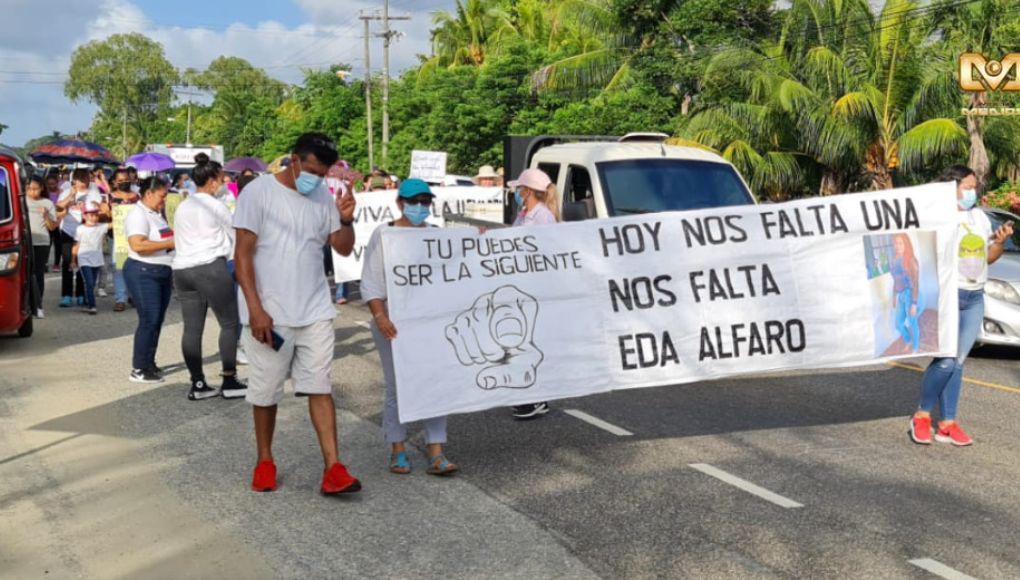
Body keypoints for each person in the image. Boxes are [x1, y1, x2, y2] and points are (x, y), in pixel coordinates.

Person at [234, 133, 361, 495]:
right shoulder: (258, 193)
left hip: (316, 310)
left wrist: (347, 220)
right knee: (267, 393)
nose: (316, 179)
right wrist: (256, 309)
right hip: (270, 315)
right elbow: (242, 256)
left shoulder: (323, 195)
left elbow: (343, 249)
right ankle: (265, 460)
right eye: (311, 171)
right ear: (293, 160)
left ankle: (334, 468)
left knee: (320, 387)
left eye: (322, 174)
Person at [909, 165, 1014, 447]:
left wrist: (1000, 242)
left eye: (974, 186)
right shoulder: (937, 217)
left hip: (974, 297)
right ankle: (921, 416)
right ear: (951, 187)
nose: (973, 191)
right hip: (948, 295)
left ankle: (947, 424)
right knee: (945, 360)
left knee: (957, 362)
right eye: (967, 186)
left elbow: (988, 257)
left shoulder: (979, 218)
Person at [361, 178, 458, 476]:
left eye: (425, 202)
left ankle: (436, 451)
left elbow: (457, 272)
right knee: (397, 386)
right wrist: (380, 316)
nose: (419, 207)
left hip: (428, 325)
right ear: (400, 203)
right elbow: (372, 281)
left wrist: (476, 241)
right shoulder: (384, 235)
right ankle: (398, 449)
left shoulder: (437, 236)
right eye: (413, 201)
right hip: (393, 324)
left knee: (434, 383)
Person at [172, 153, 246, 401]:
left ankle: (198, 383)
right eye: (222, 179)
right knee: (229, 323)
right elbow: (236, 236)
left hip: (182, 269)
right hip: (210, 267)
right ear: (213, 181)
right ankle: (229, 379)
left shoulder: (184, 205)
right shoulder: (216, 205)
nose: (224, 183)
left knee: (192, 328)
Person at [506, 168, 560, 420]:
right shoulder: (525, 214)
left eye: (519, 189)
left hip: (536, 288)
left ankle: (536, 396)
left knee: (531, 342)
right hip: (522, 286)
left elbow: (546, 253)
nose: (517, 193)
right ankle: (529, 395)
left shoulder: (543, 217)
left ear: (527, 191)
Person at [123, 177, 175, 384]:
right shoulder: (137, 215)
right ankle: (138, 368)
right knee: (149, 319)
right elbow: (138, 245)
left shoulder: (156, 214)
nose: (164, 201)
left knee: (157, 320)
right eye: (162, 197)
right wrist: (172, 242)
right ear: (148, 194)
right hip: (143, 271)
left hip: (161, 270)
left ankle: (149, 362)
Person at [55, 169, 107, 307]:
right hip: (68, 231)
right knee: (67, 263)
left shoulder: (93, 192)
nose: (83, 183)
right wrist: (70, 196)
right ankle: (66, 295)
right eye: (81, 180)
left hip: (85, 232)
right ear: (74, 180)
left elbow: (99, 210)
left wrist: (92, 208)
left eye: (86, 180)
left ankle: (80, 294)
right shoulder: (67, 191)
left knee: (82, 263)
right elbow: (58, 207)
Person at [26, 176, 58, 318]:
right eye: (29, 189)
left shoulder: (47, 203)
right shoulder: (21, 201)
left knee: (38, 274)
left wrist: (45, 215)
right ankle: (26, 304)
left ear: (42, 188)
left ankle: (38, 306)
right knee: (25, 274)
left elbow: (52, 227)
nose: (32, 192)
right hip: (25, 242)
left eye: (35, 189)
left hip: (42, 243)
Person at [108, 168, 139, 312]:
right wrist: (109, 210)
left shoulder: (137, 197)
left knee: (134, 267)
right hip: (117, 238)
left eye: (126, 179)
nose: (124, 182)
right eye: (120, 180)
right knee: (119, 268)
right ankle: (120, 299)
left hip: (135, 237)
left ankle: (133, 295)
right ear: (114, 182)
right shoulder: (109, 197)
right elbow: (102, 216)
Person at [72, 204, 109, 315]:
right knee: (89, 282)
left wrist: (108, 210)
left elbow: (115, 223)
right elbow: (76, 245)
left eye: (95, 215)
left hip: (97, 259)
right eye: (91, 215)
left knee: (92, 284)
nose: (94, 217)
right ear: (85, 216)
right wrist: (73, 260)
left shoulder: (101, 227)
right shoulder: (80, 229)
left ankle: (87, 301)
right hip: (84, 259)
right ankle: (92, 306)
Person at [890, 234, 920, 354]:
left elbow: (916, 283)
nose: (897, 246)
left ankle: (916, 347)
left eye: (900, 243)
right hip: (900, 294)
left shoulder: (911, 260)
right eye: (895, 243)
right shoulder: (894, 259)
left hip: (910, 294)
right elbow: (895, 280)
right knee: (898, 323)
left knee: (913, 323)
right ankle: (908, 340)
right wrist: (894, 297)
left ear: (906, 244)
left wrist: (914, 303)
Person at [46, 175, 63, 272]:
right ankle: (44, 263)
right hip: (48, 221)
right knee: (47, 243)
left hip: (58, 221)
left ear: (57, 183)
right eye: (49, 184)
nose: (51, 186)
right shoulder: (46, 193)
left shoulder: (61, 193)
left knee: (58, 244)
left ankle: (56, 264)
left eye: (53, 184)